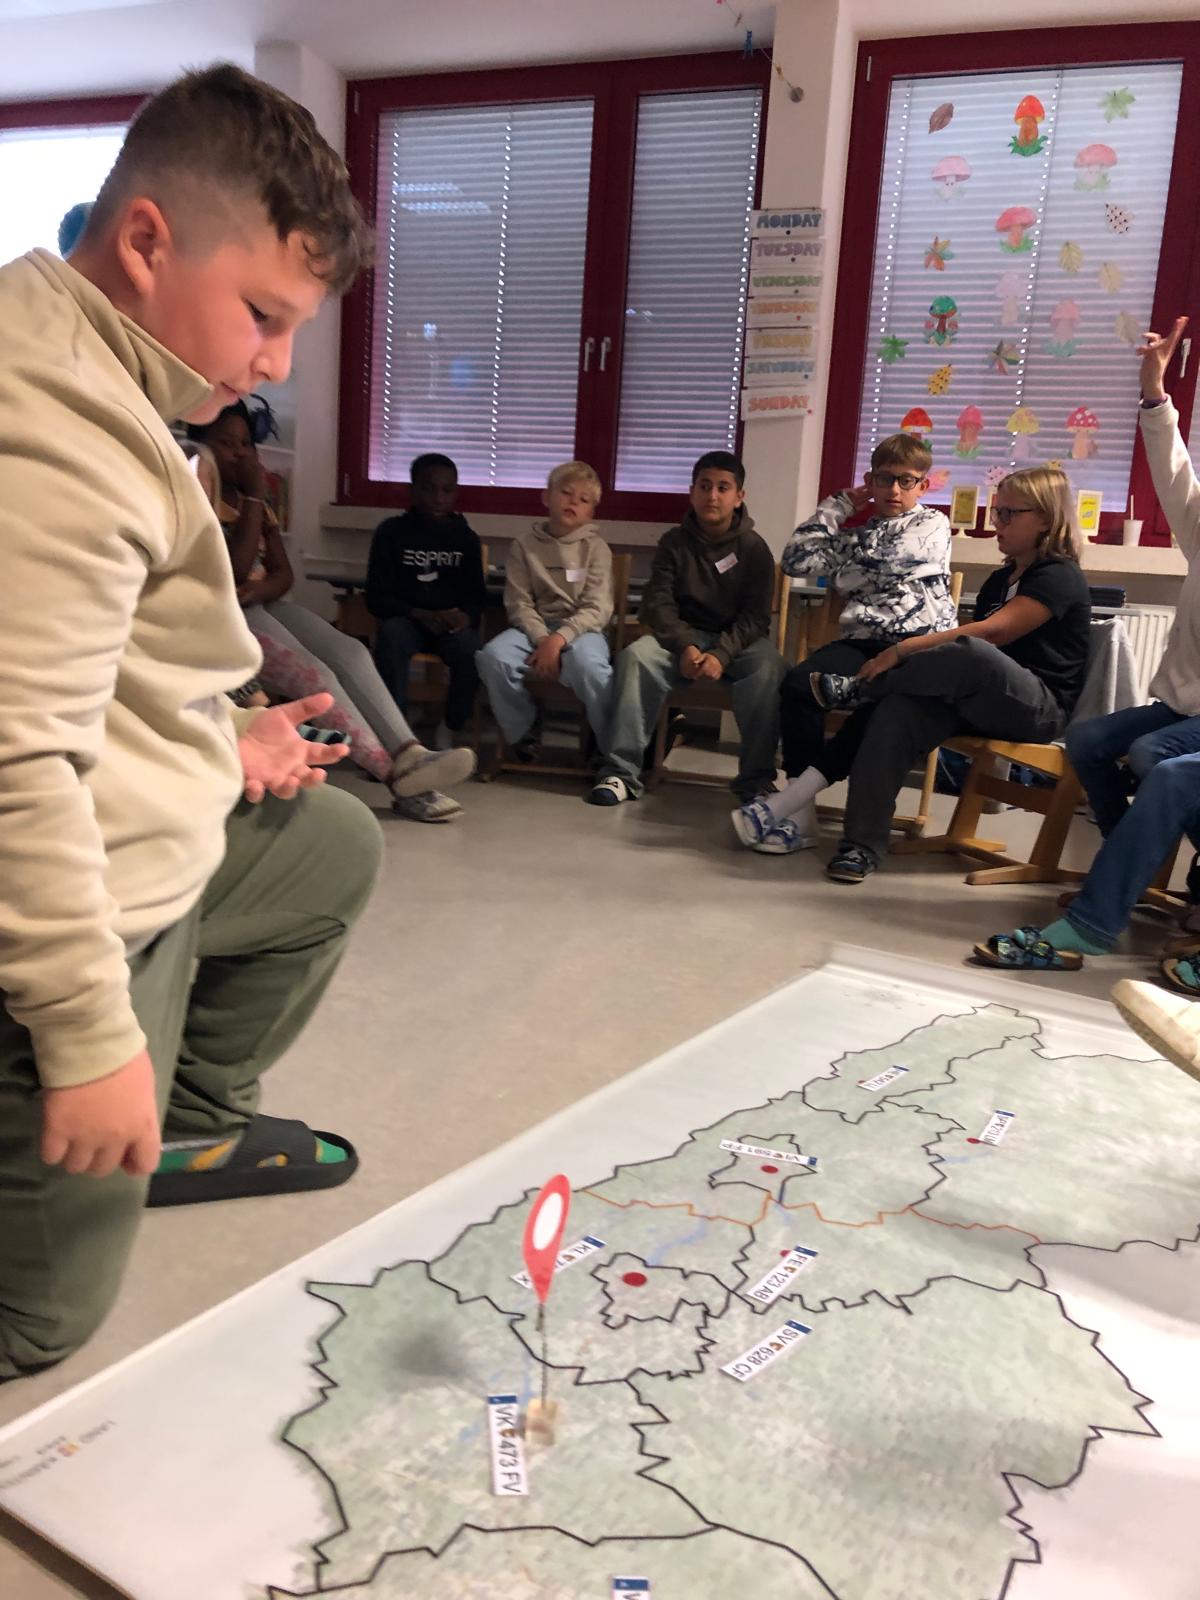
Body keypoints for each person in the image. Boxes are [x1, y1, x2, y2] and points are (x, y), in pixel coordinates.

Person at [0, 64, 382, 1379]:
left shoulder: (103, 369)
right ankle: (108, 1106)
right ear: (147, 241)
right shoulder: (53, 431)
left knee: (331, 846)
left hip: (146, 839)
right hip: (71, 907)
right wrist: (90, 1042)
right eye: (263, 316)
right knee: (45, 1318)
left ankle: (182, 1121)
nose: (274, 362)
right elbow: (16, 761)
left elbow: (86, 673)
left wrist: (217, 743)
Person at [802, 465, 1091, 884]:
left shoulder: (1059, 575)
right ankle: (860, 846)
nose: (997, 523)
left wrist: (900, 650)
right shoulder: (1001, 579)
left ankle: (860, 689)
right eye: (996, 512)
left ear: (1045, 519)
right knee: (898, 711)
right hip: (980, 698)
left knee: (974, 651)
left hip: (1038, 708)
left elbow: (993, 634)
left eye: (1009, 514)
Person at [188, 402, 475, 824]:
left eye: (246, 444)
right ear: (202, 447)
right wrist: (252, 495)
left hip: (261, 601)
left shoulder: (259, 503)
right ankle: (397, 778)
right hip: (222, 616)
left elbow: (284, 574)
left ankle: (410, 752)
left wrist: (261, 587)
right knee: (313, 674)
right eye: (226, 444)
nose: (239, 454)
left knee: (350, 652)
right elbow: (233, 569)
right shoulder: (202, 494)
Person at [734, 434, 954, 854]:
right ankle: (801, 817)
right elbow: (796, 560)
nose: (894, 490)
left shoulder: (933, 524)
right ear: (870, 482)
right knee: (800, 684)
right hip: (862, 641)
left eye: (906, 481)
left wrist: (843, 571)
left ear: (923, 486)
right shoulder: (860, 533)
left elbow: (891, 562)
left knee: (882, 707)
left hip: (916, 647)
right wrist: (838, 506)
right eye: (884, 479)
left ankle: (791, 802)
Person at [1062, 317, 1200, 836]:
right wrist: (1154, 392)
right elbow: (1174, 474)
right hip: (1180, 707)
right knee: (1086, 740)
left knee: (1149, 753)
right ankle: (1122, 845)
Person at [588, 451, 782, 806]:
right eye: (704, 486)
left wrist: (721, 654)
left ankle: (756, 781)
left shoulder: (755, 549)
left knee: (769, 669)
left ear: (739, 496)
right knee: (635, 657)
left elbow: (756, 618)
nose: (713, 496)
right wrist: (685, 645)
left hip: (738, 643)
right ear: (691, 492)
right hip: (681, 637)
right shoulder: (673, 543)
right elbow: (659, 603)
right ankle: (620, 773)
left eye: (723, 488)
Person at [477, 460, 614, 760]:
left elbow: (597, 607)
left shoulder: (596, 549)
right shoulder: (524, 546)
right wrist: (543, 639)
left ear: (591, 511)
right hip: (533, 629)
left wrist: (558, 639)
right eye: (566, 493)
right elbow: (519, 603)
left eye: (584, 499)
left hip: (582, 631)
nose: (573, 502)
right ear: (546, 497)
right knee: (493, 658)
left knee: (591, 668)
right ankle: (524, 730)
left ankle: (608, 747)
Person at [367, 452, 487, 749]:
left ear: (456, 493)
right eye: (429, 489)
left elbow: (477, 597)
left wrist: (465, 616)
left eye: (447, 490)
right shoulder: (391, 532)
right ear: (412, 490)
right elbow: (376, 598)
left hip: (449, 624)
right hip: (408, 619)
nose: (438, 498)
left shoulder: (465, 538)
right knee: (391, 637)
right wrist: (418, 613)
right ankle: (395, 730)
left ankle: (451, 725)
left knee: (472, 650)